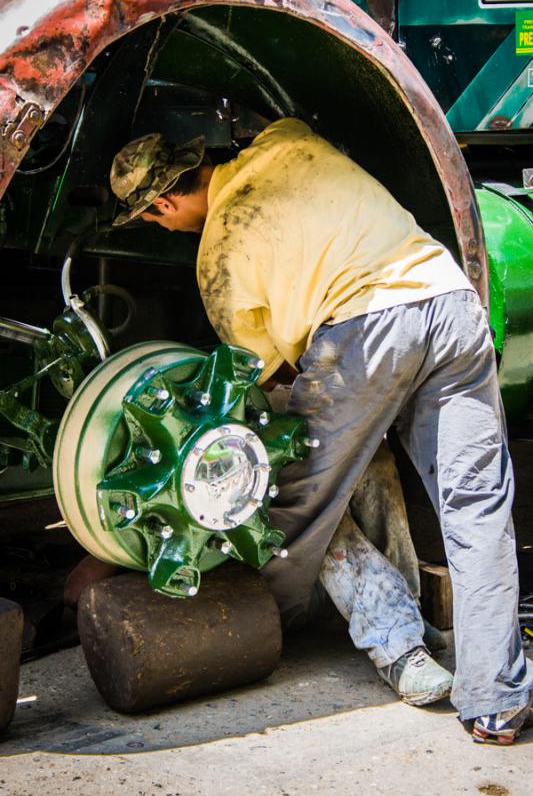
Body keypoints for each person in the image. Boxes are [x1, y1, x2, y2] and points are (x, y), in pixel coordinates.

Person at [109, 119, 533, 743]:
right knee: (477, 507)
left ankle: (286, 622)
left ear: (163, 204)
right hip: (450, 303)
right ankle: (496, 701)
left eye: (154, 218)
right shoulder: (286, 138)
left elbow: (272, 379)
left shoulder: (217, 262)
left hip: (364, 335)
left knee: (287, 496)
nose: (162, 227)